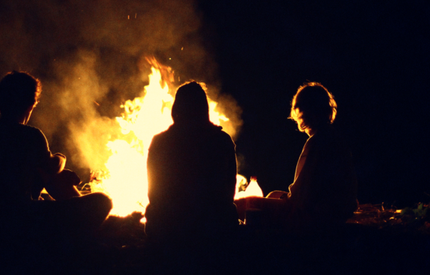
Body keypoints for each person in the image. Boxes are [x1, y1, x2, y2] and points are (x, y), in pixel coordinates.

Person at [0, 71, 112, 241]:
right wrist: (60, 158)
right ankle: (73, 244)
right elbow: (54, 175)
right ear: (31, 105)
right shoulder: (30, 135)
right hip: (17, 221)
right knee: (102, 202)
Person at [236, 82, 358, 231]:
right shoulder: (334, 137)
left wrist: (282, 200)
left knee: (247, 203)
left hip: (315, 217)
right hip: (334, 212)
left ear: (304, 111)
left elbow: (301, 198)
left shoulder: (317, 142)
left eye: (297, 107)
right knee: (273, 195)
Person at [145, 81, 238, 245]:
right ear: (204, 109)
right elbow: (228, 191)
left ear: (176, 109)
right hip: (214, 228)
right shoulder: (222, 141)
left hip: (169, 229)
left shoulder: (160, 142)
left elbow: (155, 194)